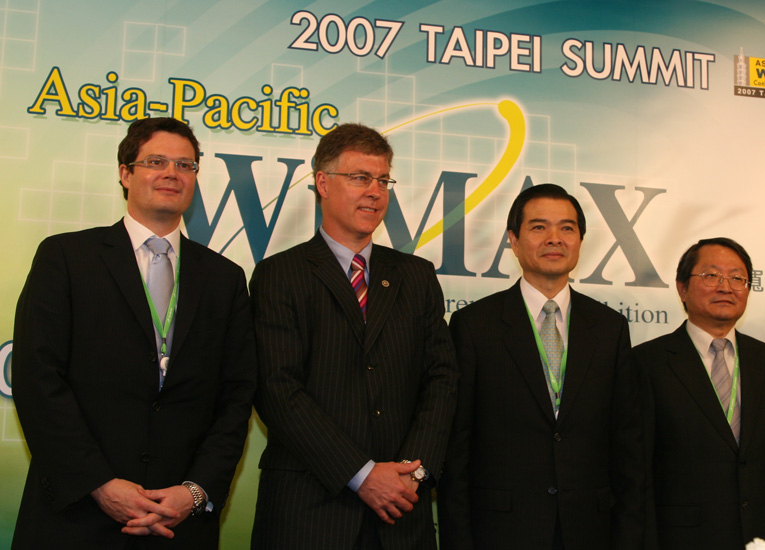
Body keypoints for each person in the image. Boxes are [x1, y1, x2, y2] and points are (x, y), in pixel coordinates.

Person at [11, 117, 257, 548]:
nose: (172, 173)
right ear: (125, 173)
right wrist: (100, 484)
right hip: (76, 515)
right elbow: (38, 379)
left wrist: (194, 492)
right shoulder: (66, 258)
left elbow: (236, 396)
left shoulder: (225, 278)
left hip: (178, 522)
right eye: (156, 161)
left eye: (185, 165)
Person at [250, 123, 459, 549]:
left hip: (401, 511)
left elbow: (441, 379)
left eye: (383, 180)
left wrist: (412, 473)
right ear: (323, 183)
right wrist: (361, 475)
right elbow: (278, 390)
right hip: (308, 513)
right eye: (360, 178)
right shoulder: (279, 274)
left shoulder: (416, 276)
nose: (375, 192)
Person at [437, 183, 642, 550]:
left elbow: (627, 446)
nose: (554, 238)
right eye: (538, 227)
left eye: (567, 228)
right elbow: (456, 451)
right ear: (513, 241)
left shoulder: (610, 328)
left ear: (580, 240)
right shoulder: (474, 325)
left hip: (590, 531)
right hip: (502, 531)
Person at [630, 237, 765, 549]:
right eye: (711, 275)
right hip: (683, 537)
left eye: (737, 278)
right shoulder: (648, 362)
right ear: (682, 288)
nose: (725, 287)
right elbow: (638, 470)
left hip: (763, 536)